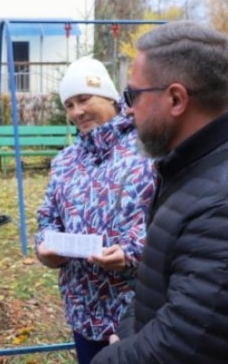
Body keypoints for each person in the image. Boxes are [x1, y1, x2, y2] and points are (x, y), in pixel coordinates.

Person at [92, 21, 228, 363]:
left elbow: (187, 347)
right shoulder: (202, 167)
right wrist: (129, 334)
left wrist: (108, 359)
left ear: (176, 98)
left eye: (132, 95)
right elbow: (164, 288)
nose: (127, 109)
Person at [34, 57, 156, 364]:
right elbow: (48, 218)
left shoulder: (150, 150)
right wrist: (44, 249)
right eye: (69, 104)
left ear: (111, 98)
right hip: (84, 309)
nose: (77, 112)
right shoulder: (65, 161)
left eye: (84, 99)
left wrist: (132, 253)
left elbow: (173, 217)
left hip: (139, 309)